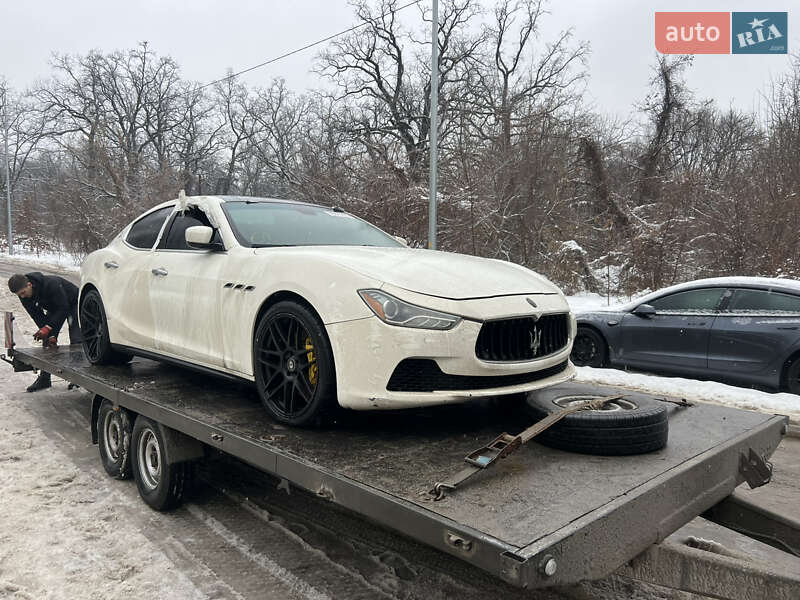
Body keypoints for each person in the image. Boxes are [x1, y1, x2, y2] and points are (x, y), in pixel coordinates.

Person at [7, 272, 82, 392]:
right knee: (47, 341)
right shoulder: (24, 295)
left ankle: (77, 377)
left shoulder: (51, 284)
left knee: (76, 339)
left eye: (23, 293)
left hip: (73, 303)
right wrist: (49, 333)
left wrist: (48, 327)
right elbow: (37, 316)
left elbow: (63, 308)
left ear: (29, 284)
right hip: (55, 307)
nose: (22, 296)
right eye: (19, 295)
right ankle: (44, 379)